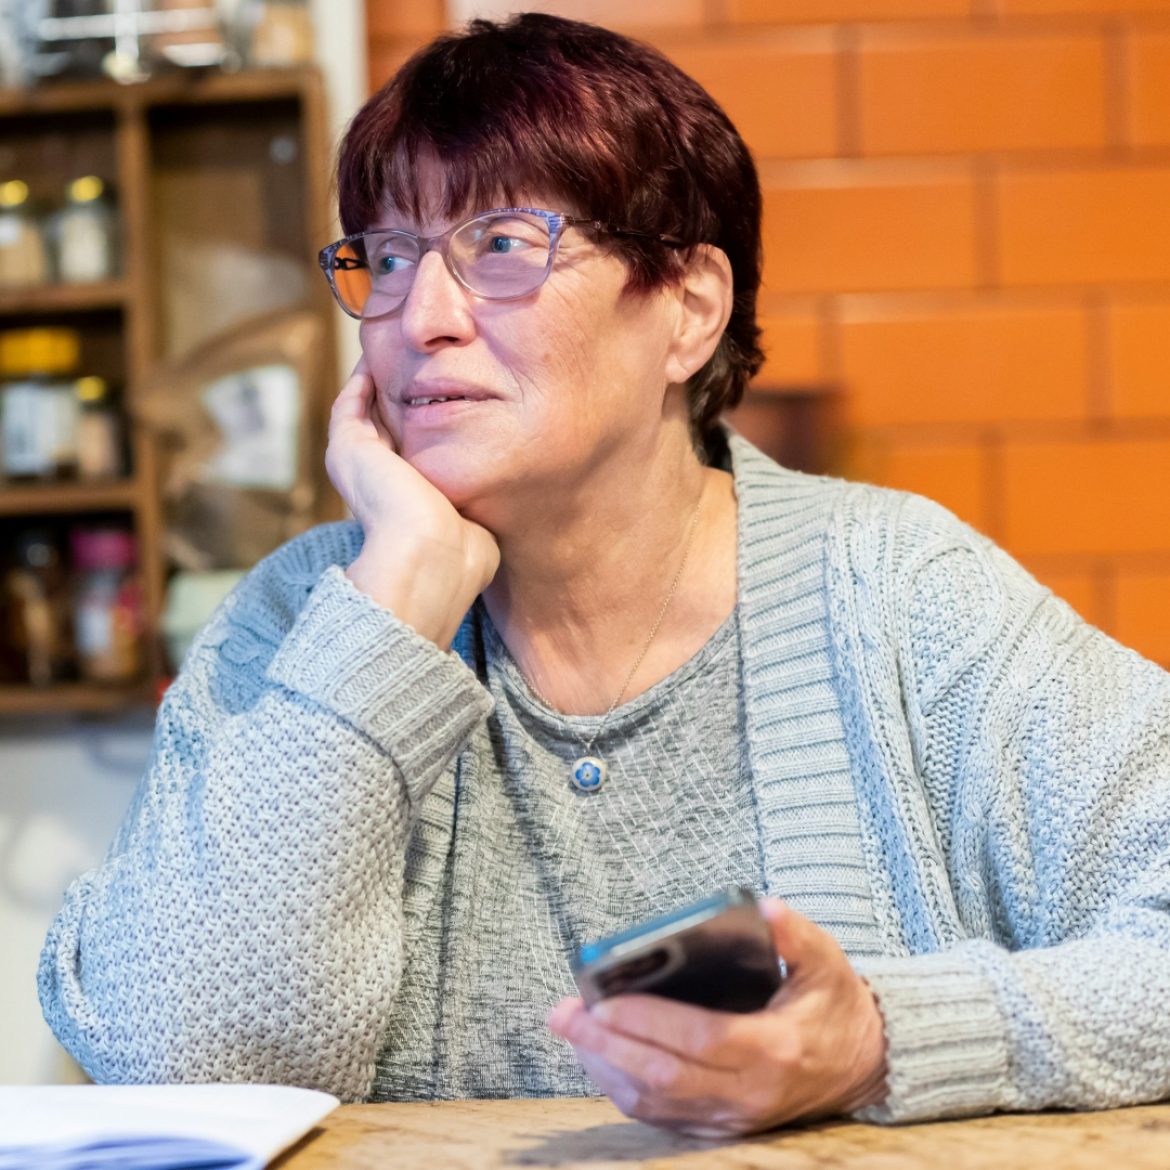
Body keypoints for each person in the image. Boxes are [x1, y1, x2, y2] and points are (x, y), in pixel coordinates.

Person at [40, 12, 1170, 1136]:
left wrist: (878, 1037)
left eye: (500, 246)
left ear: (688, 309)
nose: (419, 318)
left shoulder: (901, 594)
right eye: (387, 257)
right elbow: (180, 1075)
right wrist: (387, 614)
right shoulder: (303, 620)